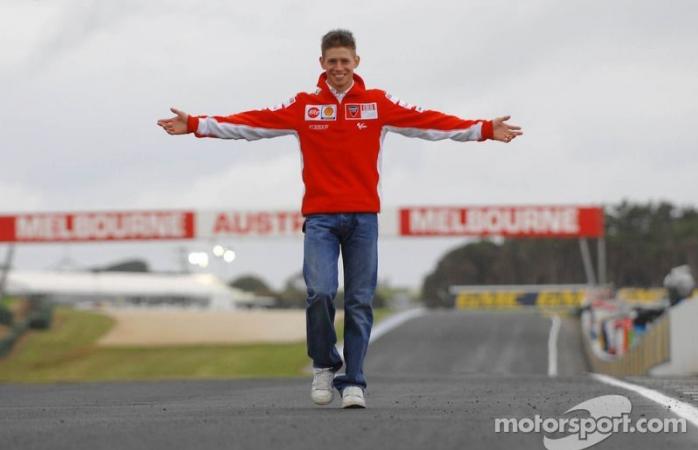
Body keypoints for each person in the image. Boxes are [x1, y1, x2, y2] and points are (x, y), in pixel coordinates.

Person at [157, 29, 522, 409]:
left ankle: (354, 382)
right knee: (319, 292)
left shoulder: (377, 104)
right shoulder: (304, 106)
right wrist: (198, 125)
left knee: (361, 300)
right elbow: (253, 124)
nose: (338, 68)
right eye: (332, 61)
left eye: (345, 61)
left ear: (356, 63)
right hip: (321, 219)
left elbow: (428, 123)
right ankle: (324, 364)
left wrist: (482, 130)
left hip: (364, 218)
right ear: (321, 65)